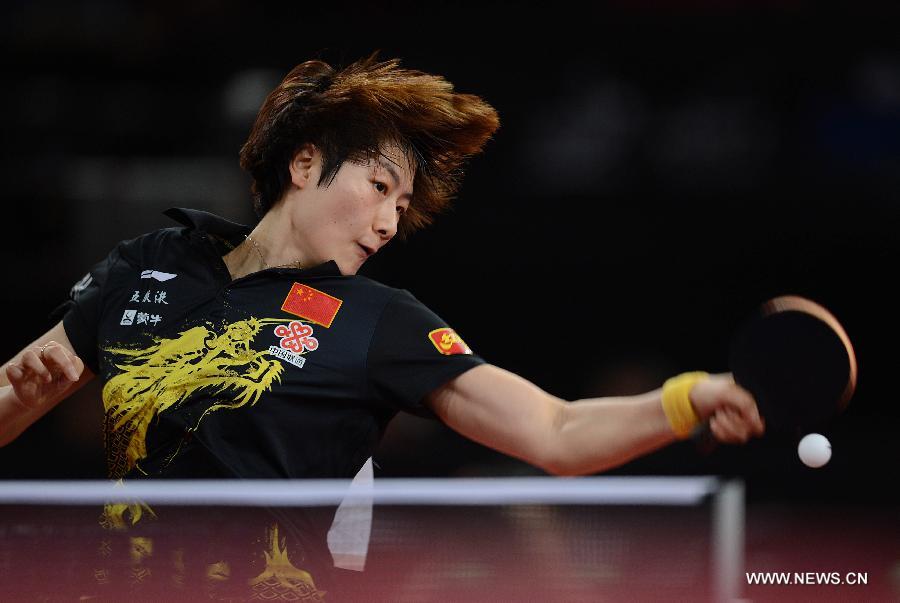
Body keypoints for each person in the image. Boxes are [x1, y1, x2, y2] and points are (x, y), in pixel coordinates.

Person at [0, 54, 764, 600]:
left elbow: (555, 430)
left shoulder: (378, 321)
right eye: (380, 187)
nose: (389, 222)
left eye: (402, 207)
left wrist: (687, 397)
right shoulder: (151, 261)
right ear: (304, 165)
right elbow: (16, 394)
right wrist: (26, 395)